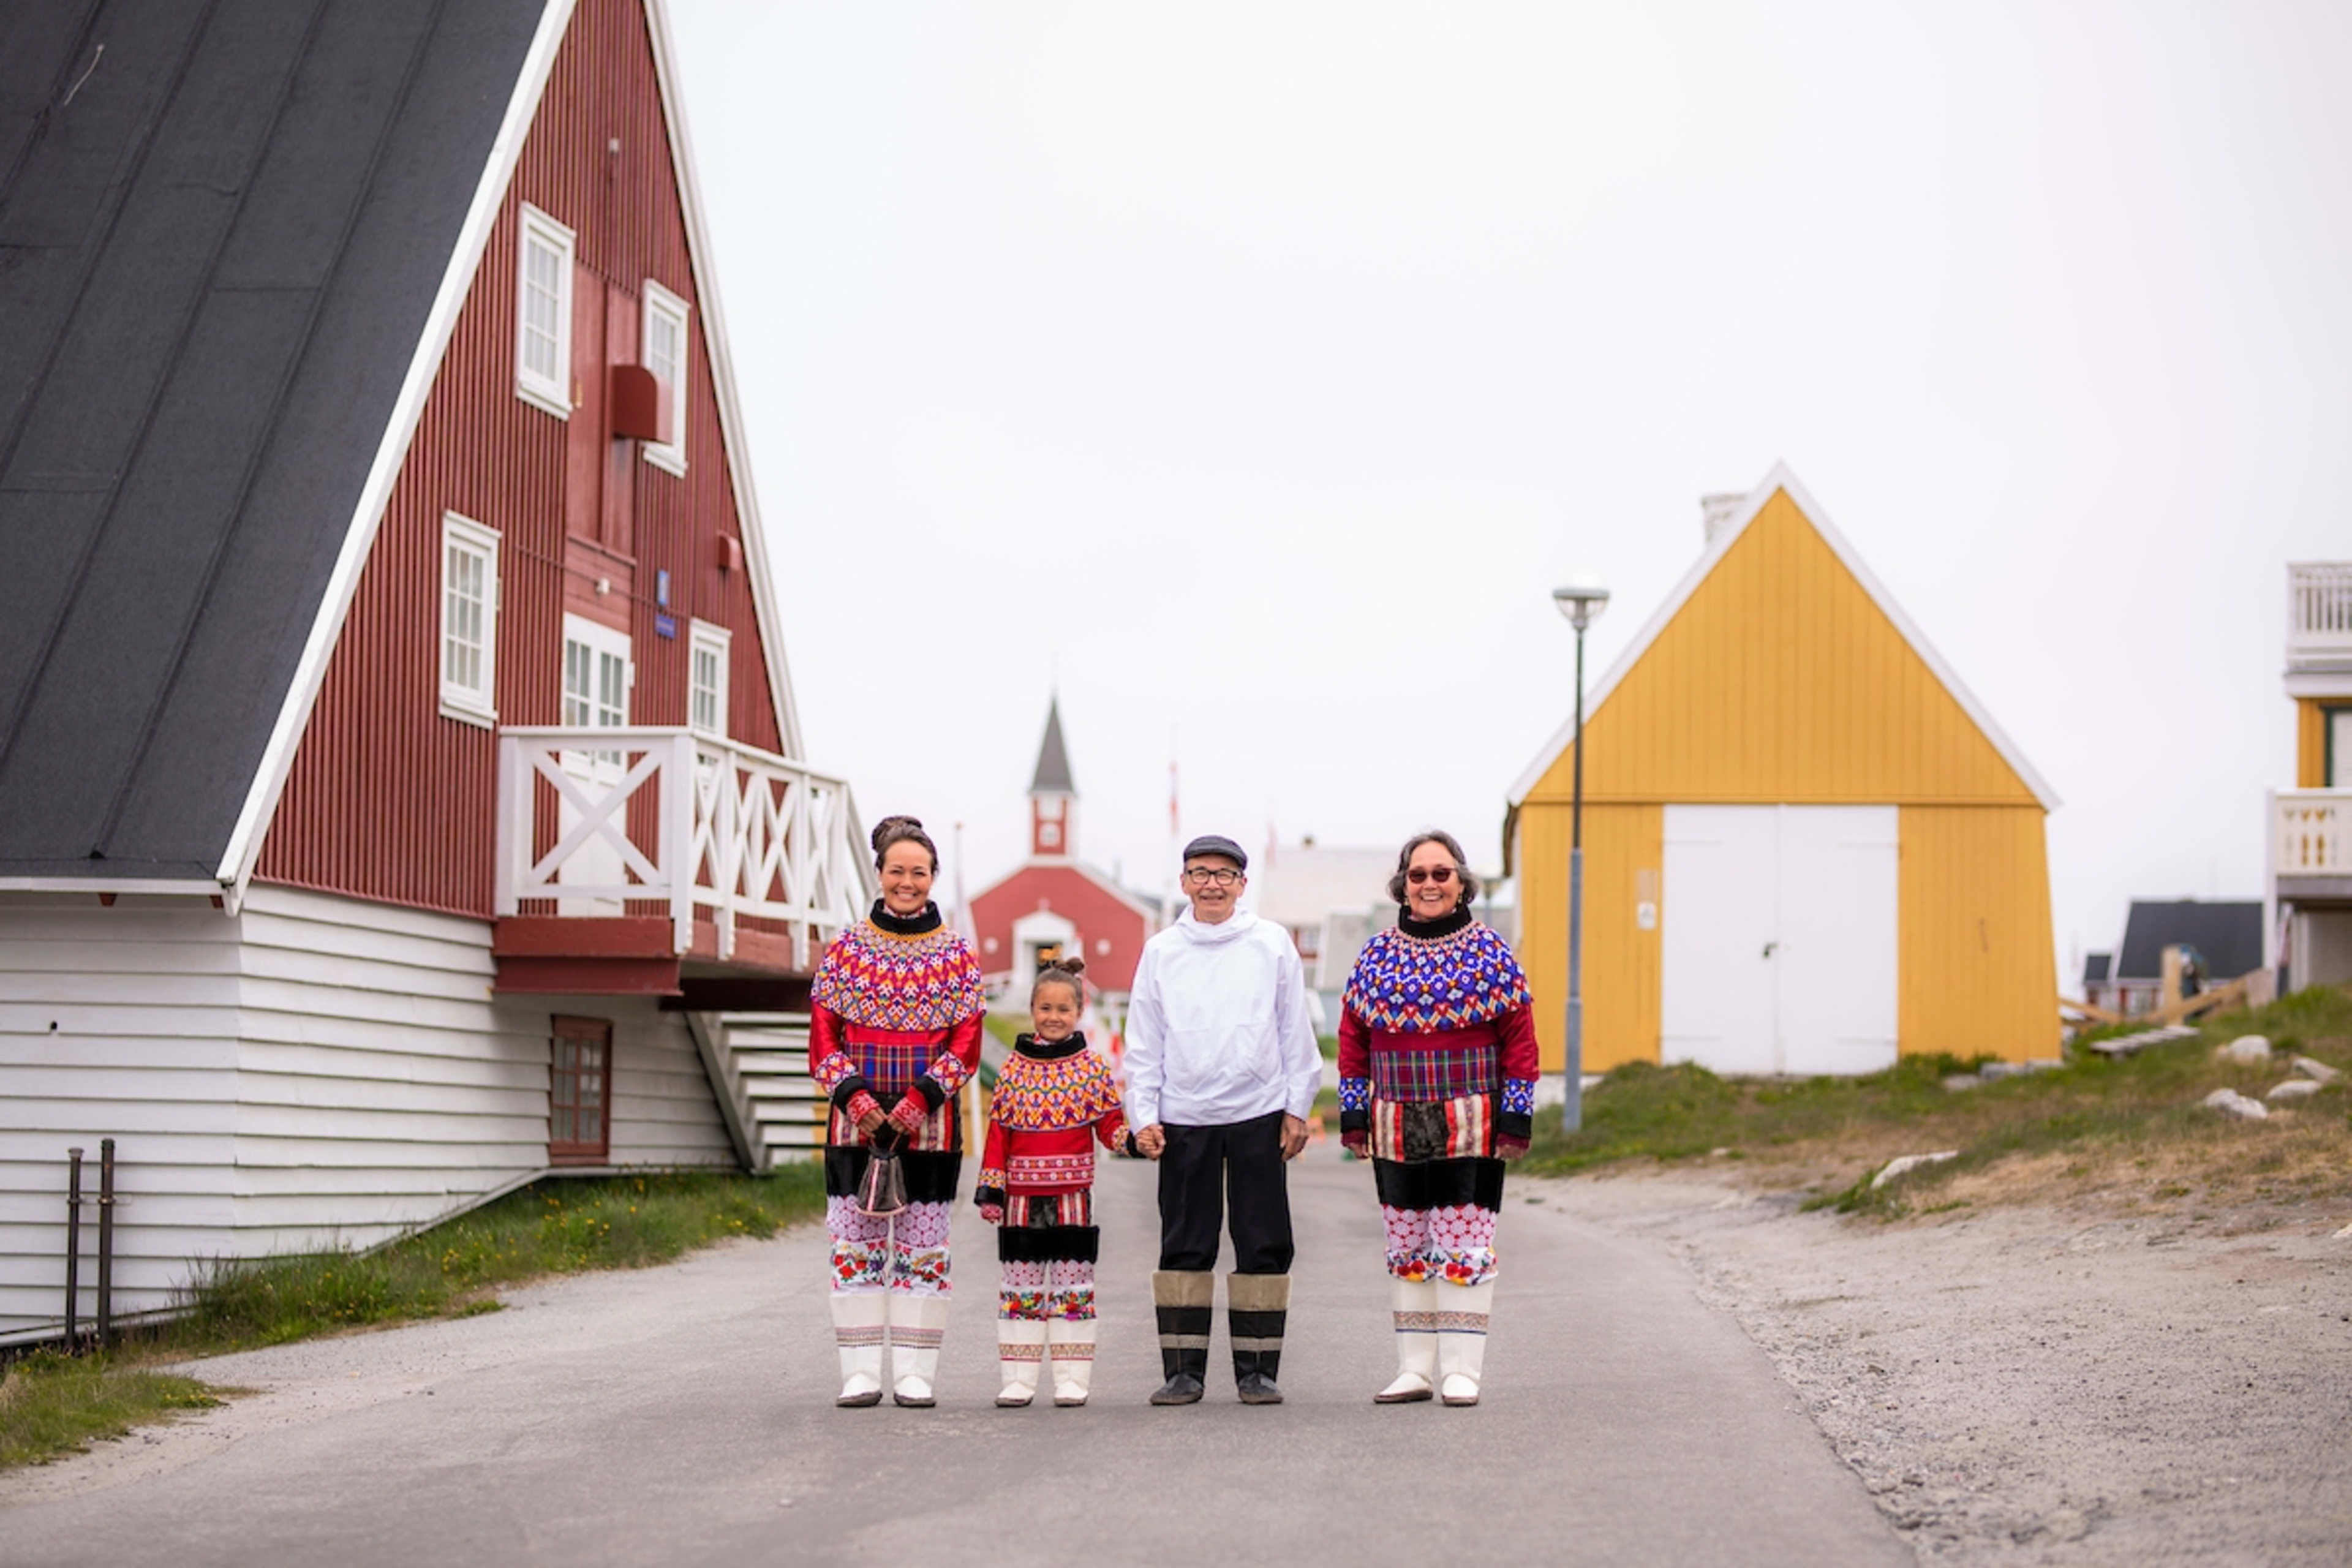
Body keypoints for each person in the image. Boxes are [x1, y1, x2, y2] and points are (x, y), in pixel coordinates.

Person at [1336, 829, 1538, 1407]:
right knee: (1406, 1243)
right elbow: (1353, 1038)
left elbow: (1520, 1041)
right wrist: (1353, 1113)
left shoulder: (1491, 953)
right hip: (1394, 1118)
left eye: (1441, 874)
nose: (1429, 884)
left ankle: (1461, 1370)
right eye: (1418, 875)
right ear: (1403, 885)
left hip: (1471, 1117)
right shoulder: (1375, 955)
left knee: (1464, 1244)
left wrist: (1517, 1117)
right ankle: (1416, 1369)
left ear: (1461, 883)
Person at [1124, 834, 1323, 1406]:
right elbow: (1144, 1041)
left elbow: (1293, 1030)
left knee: (1263, 1240)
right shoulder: (1163, 950)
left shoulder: (1271, 944)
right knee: (1185, 1240)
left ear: (1242, 883)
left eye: (1224, 874)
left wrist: (1295, 1107)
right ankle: (1183, 1372)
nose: (1212, 883)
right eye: (1199, 873)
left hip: (1258, 1110)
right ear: (1183, 883)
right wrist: (1145, 1114)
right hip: (1185, 1114)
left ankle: (1257, 1372)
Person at [807, 815, 987, 1408]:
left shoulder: (958, 955)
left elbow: (966, 1044)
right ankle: (859, 1373)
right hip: (852, 1126)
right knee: (855, 1247)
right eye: (896, 870)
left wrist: (913, 1105)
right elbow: (822, 1039)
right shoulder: (846, 949)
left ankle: (915, 1374)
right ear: (880, 874)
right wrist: (860, 1103)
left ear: (934, 877)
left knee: (922, 1251)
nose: (906, 881)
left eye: (919, 872)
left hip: (930, 1130)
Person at [973, 957, 1129, 1408]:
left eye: (1064, 1009)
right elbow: (998, 1133)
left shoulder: (1093, 1070)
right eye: (1045, 1008)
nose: (1054, 1017)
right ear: (1032, 1009)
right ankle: (1018, 1381)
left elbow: (1109, 1125)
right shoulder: (1013, 1070)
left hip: (1073, 1198)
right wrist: (992, 1190)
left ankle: (1071, 1379)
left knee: (1073, 1287)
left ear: (1079, 1012)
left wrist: (1134, 1141)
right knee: (1019, 1287)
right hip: (1021, 1199)